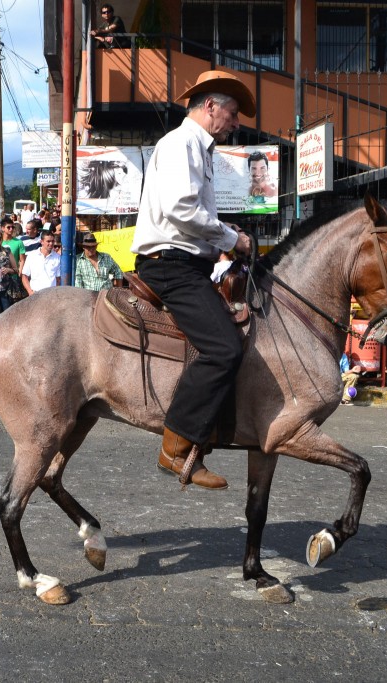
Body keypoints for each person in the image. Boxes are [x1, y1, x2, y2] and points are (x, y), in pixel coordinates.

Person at [131, 69, 257, 490]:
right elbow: (182, 211)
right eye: (234, 113)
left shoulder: (198, 148)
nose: (236, 123)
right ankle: (175, 447)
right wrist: (231, 238)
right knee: (224, 349)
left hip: (187, 263)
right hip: (171, 266)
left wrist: (224, 238)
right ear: (210, 106)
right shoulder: (183, 143)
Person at [21, 230, 62, 295]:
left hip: (51, 294)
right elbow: (24, 276)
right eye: (48, 241)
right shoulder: (32, 255)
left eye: (52, 241)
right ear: (41, 242)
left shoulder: (58, 257)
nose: (51, 244)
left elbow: (58, 279)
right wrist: (30, 292)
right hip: (35, 294)